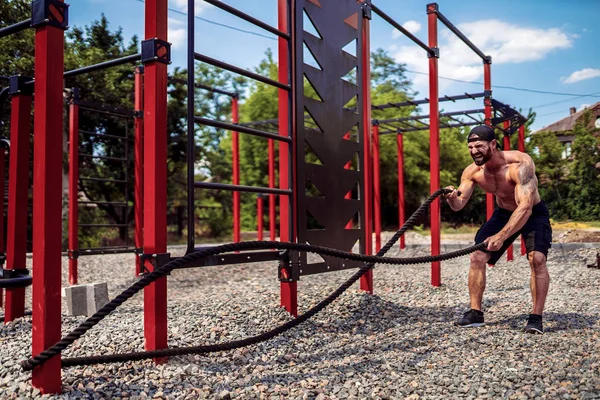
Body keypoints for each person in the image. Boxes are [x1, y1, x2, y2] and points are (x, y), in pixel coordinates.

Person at [444, 125, 552, 334]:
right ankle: (476, 313)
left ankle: (536, 317)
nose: (474, 151)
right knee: (477, 256)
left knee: (537, 258)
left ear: (493, 144)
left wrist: (502, 236)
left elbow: (525, 207)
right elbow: (459, 204)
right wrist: (450, 199)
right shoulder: (473, 171)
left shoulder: (520, 163)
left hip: (532, 212)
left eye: (479, 146)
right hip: (503, 213)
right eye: (470, 147)